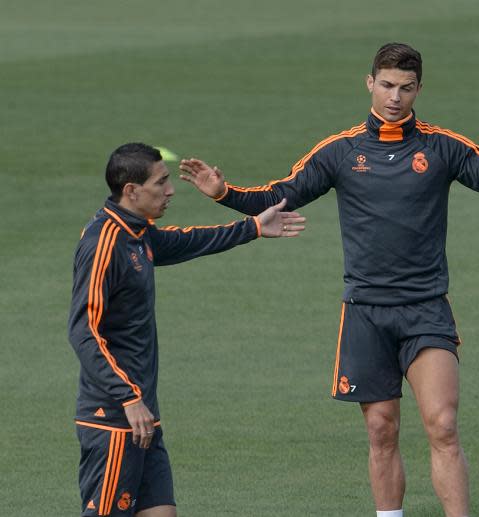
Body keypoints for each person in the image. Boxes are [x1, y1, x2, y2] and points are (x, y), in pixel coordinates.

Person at [179, 43, 479, 517]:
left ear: (419, 89)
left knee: (443, 425)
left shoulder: (443, 146)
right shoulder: (339, 152)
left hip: (425, 309)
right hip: (365, 312)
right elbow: (281, 195)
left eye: (407, 88)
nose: (396, 97)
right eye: (388, 85)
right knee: (381, 430)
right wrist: (224, 194)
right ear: (370, 83)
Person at [68, 142, 305, 517]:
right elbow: (83, 330)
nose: (171, 190)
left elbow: (186, 241)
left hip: (144, 416)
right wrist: (127, 397)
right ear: (131, 190)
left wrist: (254, 227)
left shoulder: (136, 233)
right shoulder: (104, 243)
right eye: (161, 183)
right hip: (114, 417)